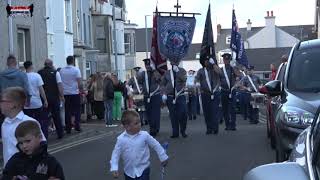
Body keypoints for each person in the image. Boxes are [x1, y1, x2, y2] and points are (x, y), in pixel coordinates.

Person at [110, 110, 168, 180]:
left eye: (140, 122)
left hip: (143, 169)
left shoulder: (144, 135)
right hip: (129, 172)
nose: (140, 124)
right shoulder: (121, 139)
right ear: (127, 127)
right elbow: (115, 154)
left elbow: (156, 145)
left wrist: (163, 157)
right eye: (136, 123)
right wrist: (114, 167)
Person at [0, 87, 46, 166]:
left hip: (25, 171)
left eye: (2, 101)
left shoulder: (29, 122)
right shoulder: (5, 123)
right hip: (9, 171)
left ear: (12, 104)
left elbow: (41, 147)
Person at [38, 59, 65, 139]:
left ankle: (44, 135)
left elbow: (39, 86)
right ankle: (60, 133)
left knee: (44, 118)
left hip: (44, 98)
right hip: (54, 98)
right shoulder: (56, 73)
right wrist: (62, 96)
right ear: (51, 64)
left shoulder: (39, 73)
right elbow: (59, 85)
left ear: (44, 64)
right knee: (56, 116)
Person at [23, 61, 49, 138]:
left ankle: (30, 137)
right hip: (37, 102)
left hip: (27, 103)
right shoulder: (37, 76)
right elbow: (41, 90)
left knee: (28, 122)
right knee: (40, 121)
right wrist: (45, 100)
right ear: (31, 66)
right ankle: (41, 137)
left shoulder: (23, 76)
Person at [195, 57, 221, 135]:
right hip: (205, 94)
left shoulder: (214, 69)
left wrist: (213, 64)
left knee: (214, 111)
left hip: (215, 93)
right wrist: (197, 83)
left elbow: (220, 73)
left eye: (208, 61)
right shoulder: (201, 71)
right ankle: (209, 128)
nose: (206, 62)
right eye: (205, 61)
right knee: (207, 112)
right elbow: (197, 78)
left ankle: (215, 128)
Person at [161, 61, 188, 138]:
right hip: (170, 96)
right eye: (172, 63)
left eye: (175, 63)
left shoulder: (182, 71)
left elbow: (184, 79)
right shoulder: (167, 73)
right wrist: (163, 93)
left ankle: (183, 130)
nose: (174, 64)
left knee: (183, 113)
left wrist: (178, 72)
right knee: (173, 115)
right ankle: (175, 132)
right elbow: (162, 84)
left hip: (180, 95)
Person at [138, 59, 162, 137]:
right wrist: (141, 89)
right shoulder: (142, 74)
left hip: (155, 95)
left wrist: (154, 70)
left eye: (149, 65)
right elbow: (140, 83)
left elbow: (159, 80)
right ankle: (152, 127)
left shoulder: (155, 73)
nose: (147, 67)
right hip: (146, 96)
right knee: (148, 113)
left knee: (155, 113)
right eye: (146, 65)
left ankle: (154, 129)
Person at [59, 56, 82, 133]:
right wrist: (81, 91)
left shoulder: (62, 71)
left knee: (67, 111)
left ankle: (68, 127)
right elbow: (79, 82)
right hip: (75, 93)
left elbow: (60, 82)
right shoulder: (76, 70)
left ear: (67, 61)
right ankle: (77, 126)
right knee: (77, 110)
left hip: (65, 93)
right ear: (73, 61)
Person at [220, 53, 238, 131]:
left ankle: (233, 125)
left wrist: (234, 68)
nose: (226, 61)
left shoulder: (233, 69)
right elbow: (218, 79)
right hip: (224, 91)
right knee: (225, 109)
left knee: (233, 109)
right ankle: (227, 124)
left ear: (230, 60)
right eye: (224, 59)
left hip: (232, 91)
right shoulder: (221, 70)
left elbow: (238, 75)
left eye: (227, 59)